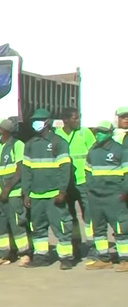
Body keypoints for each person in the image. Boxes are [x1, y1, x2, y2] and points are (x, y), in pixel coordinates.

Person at [22, 108, 74, 269]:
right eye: (34, 120)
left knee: (61, 226)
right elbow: (27, 171)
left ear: (48, 122)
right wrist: (26, 193)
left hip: (54, 195)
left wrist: (62, 191)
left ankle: (66, 258)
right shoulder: (30, 145)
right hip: (36, 196)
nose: (35, 123)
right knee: (38, 228)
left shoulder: (59, 142)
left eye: (39, 120)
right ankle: (41, 257)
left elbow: (65, 169)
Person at [82, 121, 128, 271]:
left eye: (102, 132)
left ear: (110, 133)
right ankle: (103, 258)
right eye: (97, 132)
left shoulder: (120, 150)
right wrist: (89, 189)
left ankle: (125, 260)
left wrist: (125, 192)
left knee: (121, 228)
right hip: (96, 196)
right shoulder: (93, 150)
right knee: (98, 229)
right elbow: (87, 171)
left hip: (114, 196)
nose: (98, 134)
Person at [0, 118, 30, 266]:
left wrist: (7, 188)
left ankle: (24, 253)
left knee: (17, 223)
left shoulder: (17, 145)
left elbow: (20, 169)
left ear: (4, 131)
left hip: (12, 192)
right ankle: (2, 255)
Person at [55, 107, 96, 258]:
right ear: (66, 120)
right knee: (70, 215)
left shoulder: (85, 133)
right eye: (75, 118)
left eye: (78, 118)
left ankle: (93, 245)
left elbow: (94, 155)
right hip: (66, 185)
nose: (78, 121)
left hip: (83, 181)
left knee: (89, 214)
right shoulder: (56, 136)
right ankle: (76, 244)